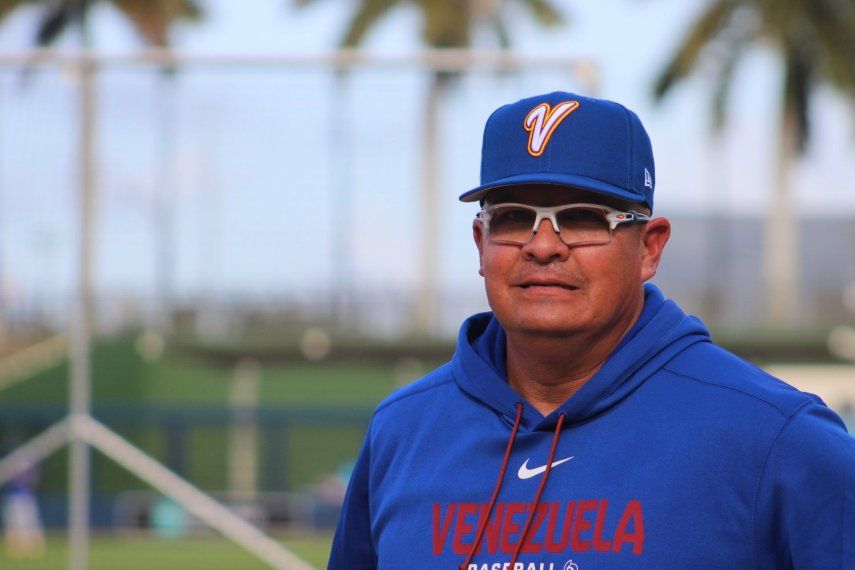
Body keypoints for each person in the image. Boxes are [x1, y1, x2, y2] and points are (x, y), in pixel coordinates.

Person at [328, 91, 855, 569]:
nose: (542, 246)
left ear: (649, 248)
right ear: (479, 245)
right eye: (513, 218)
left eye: (582, 218)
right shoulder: (403, 429)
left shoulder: (776, 437)